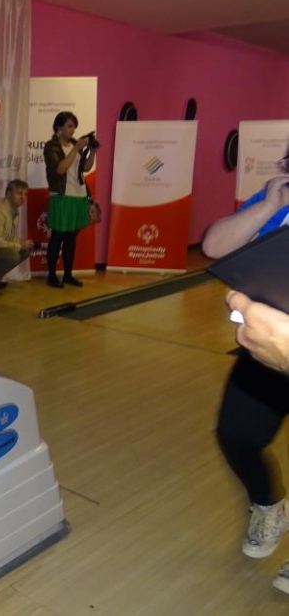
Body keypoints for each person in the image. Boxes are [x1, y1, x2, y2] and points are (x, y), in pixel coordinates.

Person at [202, 152, 289, 595]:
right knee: (236, 435)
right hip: (268, 345)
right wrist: (268, 206)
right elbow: (214, 245)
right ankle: (269, 504)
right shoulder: (280, 196)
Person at [42, 111, 96, 288]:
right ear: (59, 127)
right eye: (70, 126)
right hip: (62, 196)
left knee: (71, 237)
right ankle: (51, 276)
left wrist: (92, 152)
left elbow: (85, 168)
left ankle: (67, 275)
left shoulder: (74, 144)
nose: (73, 130)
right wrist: (76, 148)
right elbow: (60, 169)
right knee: (57, 236)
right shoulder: (51, 146)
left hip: (79, 195)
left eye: (74, 127)